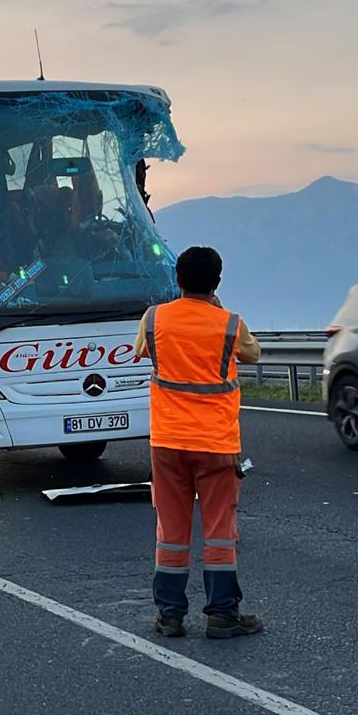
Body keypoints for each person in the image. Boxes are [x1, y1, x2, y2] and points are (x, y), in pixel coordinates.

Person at [135, 246, 263, 640]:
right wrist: (218, 310)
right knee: (220, 531)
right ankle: (222, 614)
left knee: (170, 531)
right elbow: (254, 355)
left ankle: (170, 615)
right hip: (216, 442)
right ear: (217, 282)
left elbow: (142, 351)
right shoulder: (230, 324)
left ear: (177, 278)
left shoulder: (154, 319)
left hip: (168, 441)